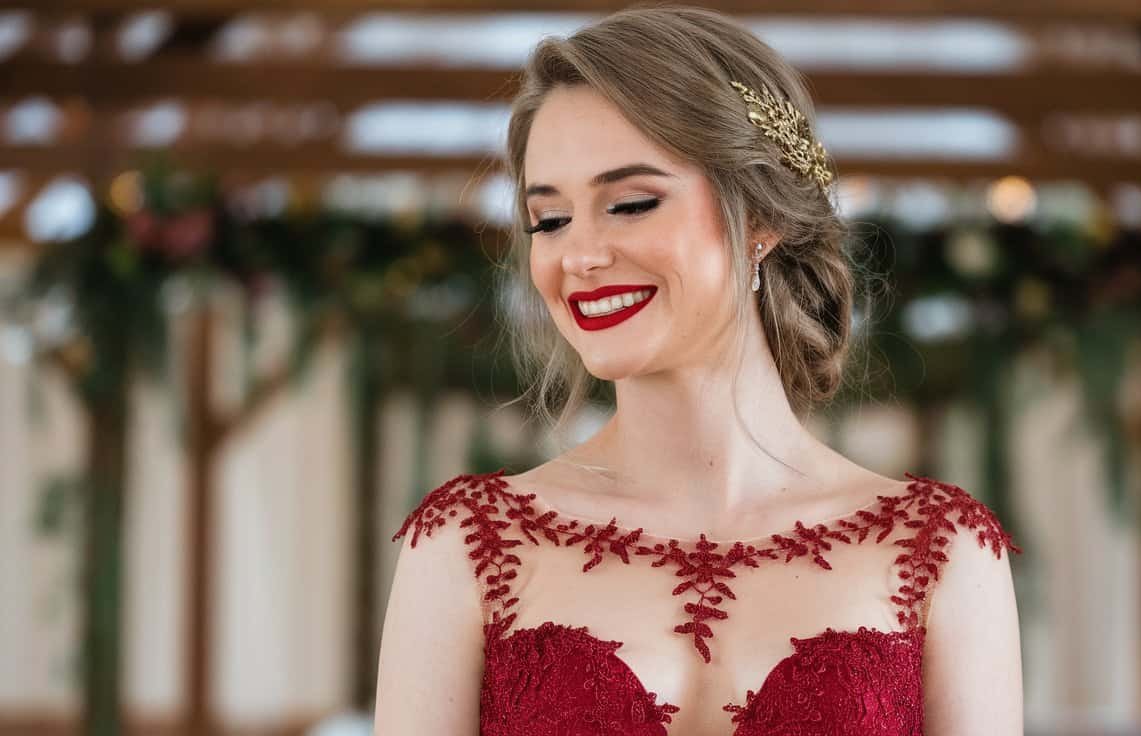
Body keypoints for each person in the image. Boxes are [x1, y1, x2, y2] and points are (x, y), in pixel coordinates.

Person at [375, 5, 1023, 734]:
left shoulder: (939, 553)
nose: (580, 255)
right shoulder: (465, 546)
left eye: (630, 203)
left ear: (764, 217)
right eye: (549, 219)